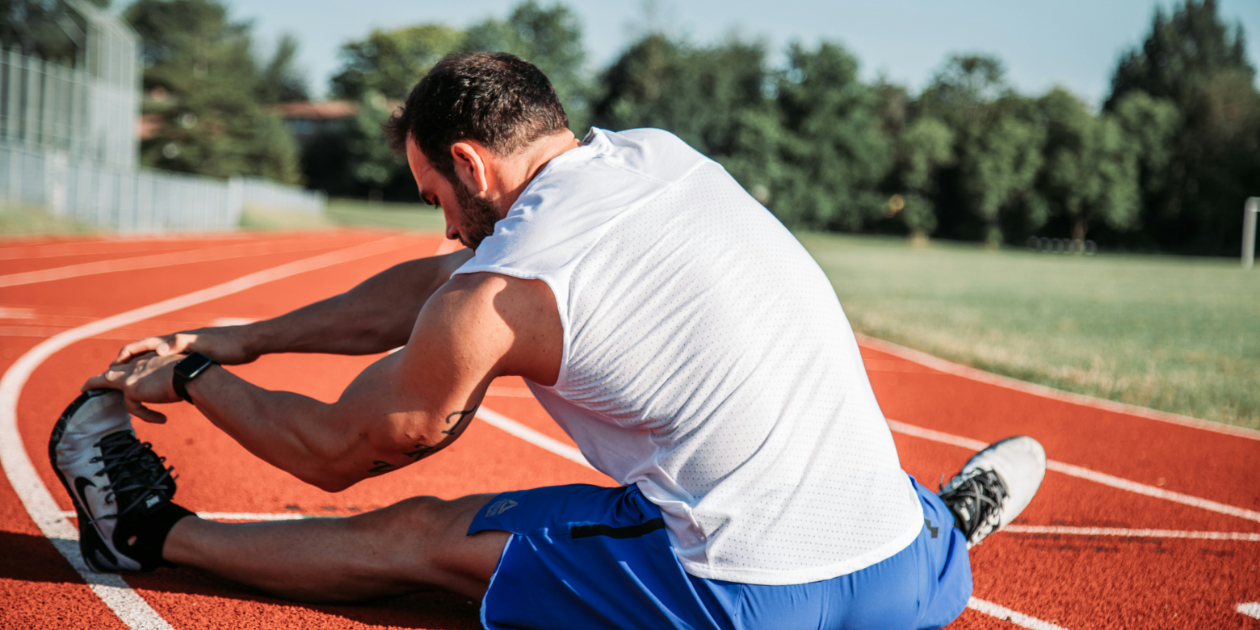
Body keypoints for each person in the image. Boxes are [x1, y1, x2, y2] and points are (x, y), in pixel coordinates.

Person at [50, 52, 1046, 630]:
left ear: (472, 166)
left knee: (425, 535)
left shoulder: (498, 296)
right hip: (899, 579)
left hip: (744, 603)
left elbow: (337, 456)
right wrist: (251, 335)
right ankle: (947, 524)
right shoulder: (658, 159)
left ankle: (146, 534)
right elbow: (439, 283)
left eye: (436, 195)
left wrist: (193, 378)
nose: (442, 225)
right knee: (818, 451)